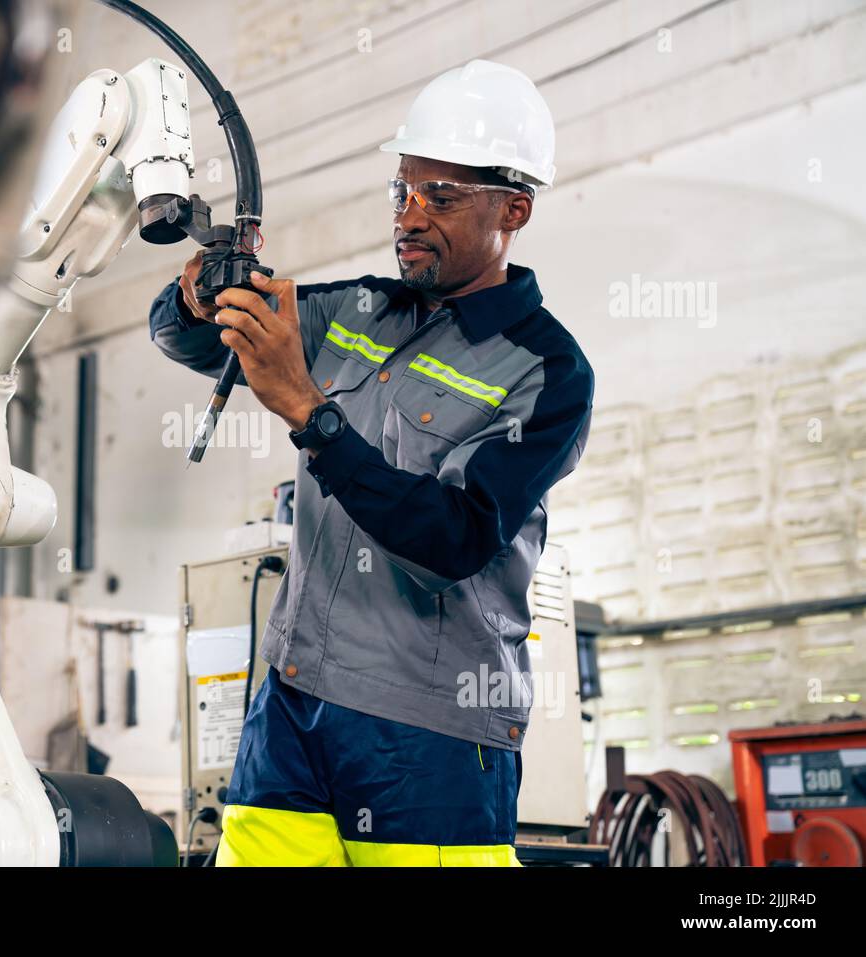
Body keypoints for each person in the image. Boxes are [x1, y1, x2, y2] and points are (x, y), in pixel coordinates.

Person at [149, 60, 594, 866]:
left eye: (442, 197)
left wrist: (312, 416)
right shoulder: (356, 310)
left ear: (514, 208)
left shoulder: (545, 371)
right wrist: (196, 296)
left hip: (427, 735)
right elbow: (193, 341)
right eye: (402, 192)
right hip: (288, 712)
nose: (410, 217)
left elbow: (455, 537)